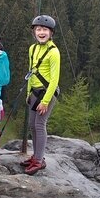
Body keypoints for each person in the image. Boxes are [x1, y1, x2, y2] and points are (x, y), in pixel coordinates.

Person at [22, 15, 61, 175]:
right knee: (32, 124)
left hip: (47, 93)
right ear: (34, 32)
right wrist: (28, 93)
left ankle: (39, 160)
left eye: (45, 30)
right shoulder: (33, 49)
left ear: (51, 33)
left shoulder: (54, 52)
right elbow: (31, 72)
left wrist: (45, 101)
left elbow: (54, 80)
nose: (41, 32)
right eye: (38, 29)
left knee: (39, 125)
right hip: (34, 92)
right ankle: (37, 156)